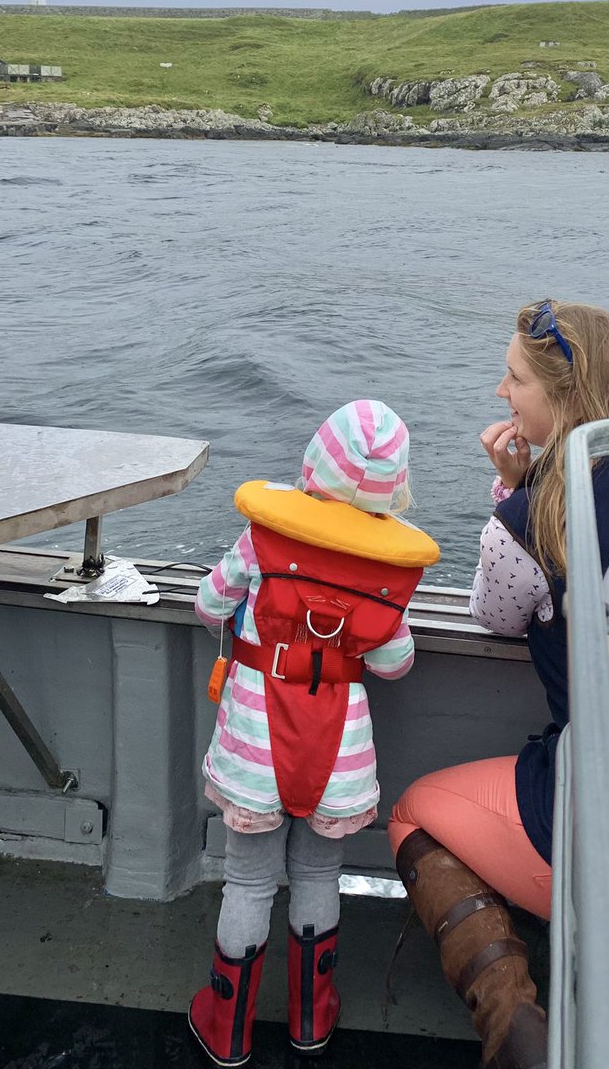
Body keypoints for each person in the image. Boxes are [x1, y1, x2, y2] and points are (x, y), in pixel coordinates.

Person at [388, 300, 609, 1069]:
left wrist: (513, 493)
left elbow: (495, 615)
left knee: (414, 813)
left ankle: (515, 1029)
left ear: (566, 395)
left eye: (515, 379)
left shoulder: (529, 519)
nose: (501, 392)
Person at [190, 400, 439, 1068]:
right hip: (340, 754)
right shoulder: (389, 567)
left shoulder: (263, 539)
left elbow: (208, 604)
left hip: (254, 744)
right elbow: (394, 663)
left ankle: (227, 1029)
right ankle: (311, 1019)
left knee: (248, 883)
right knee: (319, 873)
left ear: (313, 464)